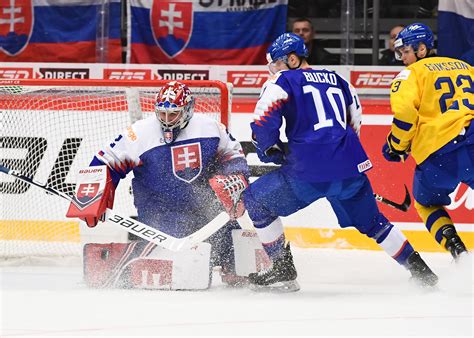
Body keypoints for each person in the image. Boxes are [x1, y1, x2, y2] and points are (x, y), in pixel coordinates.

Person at [239, 33, 439, 291]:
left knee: (255, 201)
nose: (273, 70)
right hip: (350, 167)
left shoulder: (282, 80)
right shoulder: (339, 79)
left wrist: (269, 150)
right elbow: (355, 121)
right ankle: (422, 272)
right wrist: (337, 154)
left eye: (277, 63)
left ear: (292, 59)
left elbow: (263, 122)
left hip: (307, 171)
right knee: (374, 223)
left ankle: (282, 269)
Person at [75, 81, 250, 287]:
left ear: (187, 110)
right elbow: (106, 161)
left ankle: (233, 270)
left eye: (173, 114)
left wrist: (235, 175)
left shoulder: (211, 128)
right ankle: (117, 263)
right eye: (162, 114)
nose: (166, 121)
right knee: (172, 257)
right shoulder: (139, 133)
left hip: (203, 208)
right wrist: (93, 196)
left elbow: (233, 155)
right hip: (160, 212)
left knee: (234, 243)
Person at [383, 23, 473, 261]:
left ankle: (459, 252)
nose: (402, 58)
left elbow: (405, 114)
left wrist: (396, 146)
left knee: (426, 203)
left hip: (440, 153)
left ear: (422, 49)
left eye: (405, 52)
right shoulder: (465, 67)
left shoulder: (410, 74)